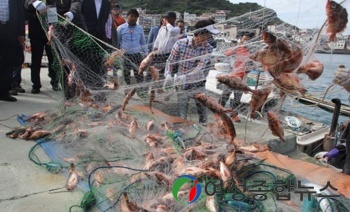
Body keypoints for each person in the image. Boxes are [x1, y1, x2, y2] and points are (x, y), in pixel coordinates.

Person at [163, 19, 220, 125]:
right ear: (199, 33)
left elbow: (200, 67)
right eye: (208, 35)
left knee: (203, 113)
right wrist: (168, 75)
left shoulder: (208, 49)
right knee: (182, 113)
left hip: (198, 84)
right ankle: (183, 130)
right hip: (181, 84)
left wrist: (186, 77)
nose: (209, 38)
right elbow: (170, 61)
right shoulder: (180, 44)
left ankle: (203, 131)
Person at [24, 0, 60, 94]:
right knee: (36, 60)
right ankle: (36, 85)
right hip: (36, 33)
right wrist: (36, 6)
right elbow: (27, 7)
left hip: (50, 33)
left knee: (53, 59)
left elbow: (55, 8)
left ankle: (55, 82)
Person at [218, 33, 253, 122]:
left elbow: (252, 64)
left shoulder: (251, 51)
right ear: (241, 38)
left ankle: (234, 115)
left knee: (237, 98)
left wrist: (250, 67)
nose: (245, 41)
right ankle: (218, 111)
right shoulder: (238, 49)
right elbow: (227, 53)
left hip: (242, 78)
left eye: (247, 40)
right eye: (244, 39)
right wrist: (238, 45)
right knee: (225, 95)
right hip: (233, 76)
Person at [0, 0, 25, 102]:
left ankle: (4, 92)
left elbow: (20, 13)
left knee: (8, 62)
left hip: (10, 30)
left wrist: (21, 33)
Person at [117, 9, 148, 86]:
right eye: (131, 16)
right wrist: (117, 53)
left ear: (137, 18)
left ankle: (139, 90)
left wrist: (146, 54)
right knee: (126, 74)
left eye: (135, 17)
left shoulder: (140, 29)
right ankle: (128, 90)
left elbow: (143, 42)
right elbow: (117, 42)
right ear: (127, 17)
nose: (133, 18)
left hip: (137, 55)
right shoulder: (120, 28)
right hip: (125, 55)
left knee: (139, 73)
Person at [152, 11, 180, 79]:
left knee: (168, 72)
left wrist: (167, 23)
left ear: (173, 19)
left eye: (168, 18)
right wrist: (155, 49)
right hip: (160, 54)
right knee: (158, 72)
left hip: (170, 55)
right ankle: (158, 88)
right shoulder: (162, 29)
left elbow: (171, 31)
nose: (166, 20)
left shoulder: (176, 29)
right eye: (166, 18)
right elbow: (157, 41)